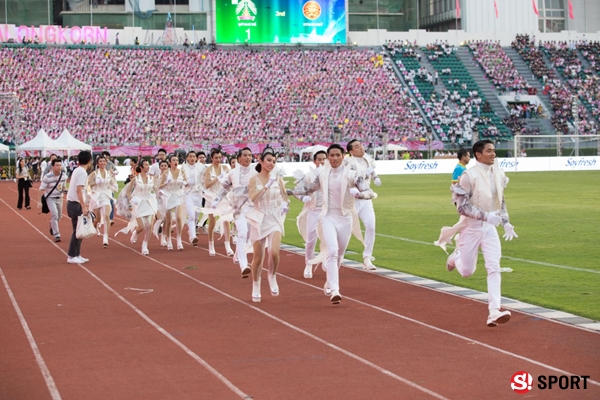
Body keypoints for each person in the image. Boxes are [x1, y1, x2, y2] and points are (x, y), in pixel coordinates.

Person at [289, 144, 377, 305]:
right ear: (328, 158)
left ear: (343, 156)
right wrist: (287, 191)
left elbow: (370, 192)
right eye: (332, 156)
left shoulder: (352, 175)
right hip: (327, 217)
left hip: (345, 218)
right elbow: (307, 189)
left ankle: (330, 281)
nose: (335, 158)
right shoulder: (323, 175)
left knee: (339, 255)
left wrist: (359, 194)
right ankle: (335, 289)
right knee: (332, 250)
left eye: (338, 155)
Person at [445, 140, 518, 327]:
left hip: (489, 228)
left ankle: (494, 311)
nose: (493, 153)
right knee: (467, 272)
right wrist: (486, 215)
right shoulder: (469, 176)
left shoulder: (498, 174)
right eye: (489, 151)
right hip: (471, 227)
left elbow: (501, 200)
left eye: (494, 150)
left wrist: (506, 221)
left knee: (494, 267)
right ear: (478, 155)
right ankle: (457, 257)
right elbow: (461, 207)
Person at [247, 147, 290, 302]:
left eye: (274, 161)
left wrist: (286, 204)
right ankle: (256, 284)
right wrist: (265, 187)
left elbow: (284, 196)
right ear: (261, 161)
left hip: (274, 218)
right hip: (259, 218)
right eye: (269, 160)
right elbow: (252, 198)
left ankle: (272, 275)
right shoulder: (254, 179)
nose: (272, 163)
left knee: (274, 252)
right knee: (258, 258)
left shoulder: (278, 179)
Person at [211, 147, 256, 278]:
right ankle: (244, 265)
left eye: (250, 155)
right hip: (238, 209)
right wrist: (217, 200)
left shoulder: (256, 171)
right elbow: (224, 189)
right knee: (242, 233)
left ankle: (238, 253)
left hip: (253, 208)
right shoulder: (232, 173)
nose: (248, 158)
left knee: (249, 237)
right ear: (239, 158)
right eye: (245, 155)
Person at [346, 139, 381, 270]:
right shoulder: (349, 163)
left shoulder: (367, 158)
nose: (361, 147)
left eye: (360, 145)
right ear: (351, 151)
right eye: (357, 146)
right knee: (347, 229)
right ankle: (335, 255)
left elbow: (371, 170)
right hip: (352, 199)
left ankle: (367, 258)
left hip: (366, 198)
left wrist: (375, 177)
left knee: (371, 226)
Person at [295, 150, 326, 279]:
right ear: (314, 161)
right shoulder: (307, 176)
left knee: (329, 239)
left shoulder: (332, 175)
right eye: (319, 159)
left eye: (324, 159)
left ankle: (326, 260)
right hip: (313, 211)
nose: (322, 162)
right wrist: (303, 198)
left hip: (327, 212)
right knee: (311, 240)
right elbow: (297, 191)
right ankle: (308, 263)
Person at [120, 159, 157, 255]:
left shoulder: (152, 178)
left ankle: (145, 246)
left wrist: (161, 194)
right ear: (141, 167)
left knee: (150, 225)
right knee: (141, 226)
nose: (148, 166)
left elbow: (156, 189)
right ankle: (136, 233)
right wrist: (132, 199)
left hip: (149, 202)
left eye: (148, 165)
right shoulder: (135, 179)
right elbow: (128, 192)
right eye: (146, 165)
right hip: (138, 203)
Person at [203, 149, 232, 256]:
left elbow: (230, 182)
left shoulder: (225, 168)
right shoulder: (208, 170)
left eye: (220, 158)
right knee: (212, 222)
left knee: (226, 220)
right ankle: (211, 245)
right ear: (212, 158)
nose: (218, 160)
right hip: (211, 197)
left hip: (223, 196)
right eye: (216, 158)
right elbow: (206, 185)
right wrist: (217, 179)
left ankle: (227, 246)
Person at [66, 150, 93, 264]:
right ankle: (72, 255)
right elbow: (79, 190)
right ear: (90, 161)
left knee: (79, 229)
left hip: (73, 203)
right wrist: (84, 206)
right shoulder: (82, 172)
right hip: (75, 204)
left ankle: (76, 254)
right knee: (77, 230)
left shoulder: (77, 170)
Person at [88, 155, 118, 248]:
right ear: (97, 163)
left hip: (105, 195)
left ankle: (105, 237)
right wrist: (95, 183)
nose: (102, 163)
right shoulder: (94, 173)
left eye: (104, 161)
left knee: (106, 216)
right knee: (97, 218)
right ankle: (95, 226)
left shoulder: (108, 173)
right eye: (100, 161)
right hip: (97, 196)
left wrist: (113, 186)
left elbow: (112, 182)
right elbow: (87, 184)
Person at [158, 154, 187, 250]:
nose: (175, 162)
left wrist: (185, 183)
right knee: (169, 221)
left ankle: (179, 240)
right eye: (173, 160)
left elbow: (187, 183)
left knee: (179, 218)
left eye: (177, 160)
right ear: (170, 162)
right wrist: (166, 183)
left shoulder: (182, 172)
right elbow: (160, 186)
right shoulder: (166, 173)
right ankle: (169, 239)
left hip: (178, 196)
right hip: (168, 196)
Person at [39, 158, 67, 242]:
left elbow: (64, 186)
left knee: (58, 216)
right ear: (53, 166)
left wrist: (65, 190)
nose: (59, 167)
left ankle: (52, 225)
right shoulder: (47, 177)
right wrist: (39, 201)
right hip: (50, 198)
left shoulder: (64, 175)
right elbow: (41, 189)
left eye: (60, 165)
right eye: (57, 165)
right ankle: (57, 235)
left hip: (60, 198)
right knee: (54, 215)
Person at [182, 151, 205, 246]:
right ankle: (193, 237)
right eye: (190, 156)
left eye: (194, 156)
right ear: (187, 158)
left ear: (196, 158)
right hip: (188, 193)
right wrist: (185, 182)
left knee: (195, 216)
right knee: (191, 215)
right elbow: (180, 179)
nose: (192, 158)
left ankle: (191, 231)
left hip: (198, 194)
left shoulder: (201, 167)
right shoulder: (183, 168)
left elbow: (205, 178)